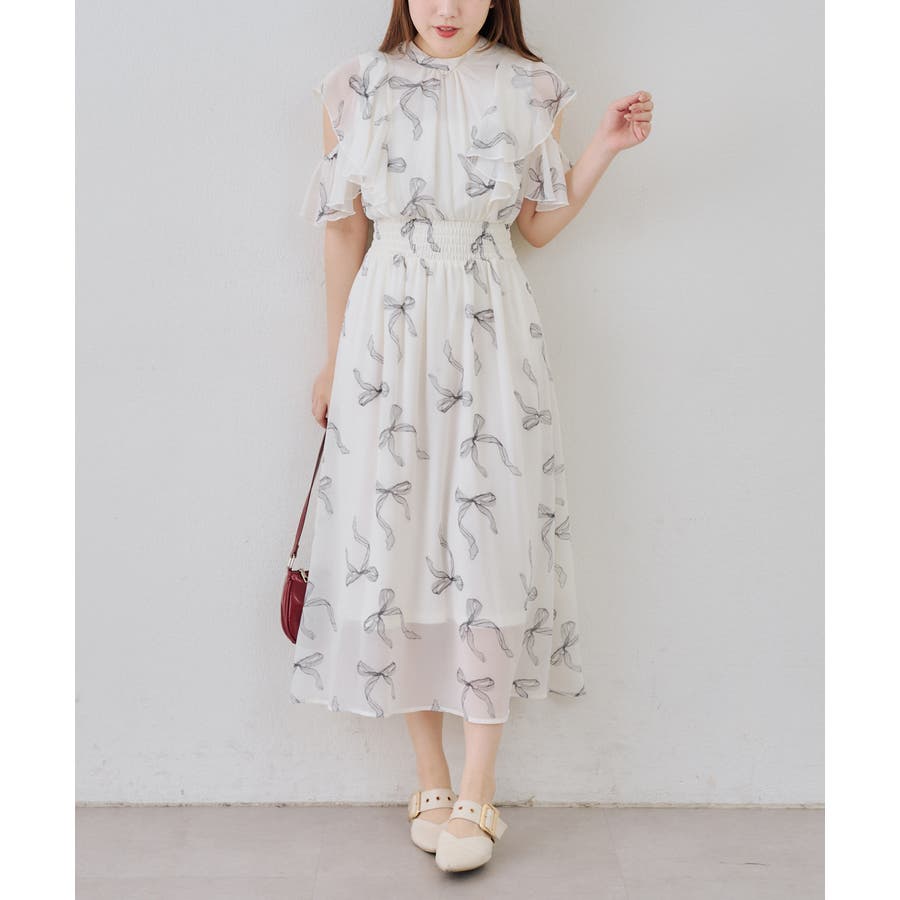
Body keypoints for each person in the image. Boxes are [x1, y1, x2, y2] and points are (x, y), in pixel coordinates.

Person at [290, 0, 653, 873]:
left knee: (490, 538)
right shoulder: (356, 85)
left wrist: (601, 149)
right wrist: (335, 358)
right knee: (398, 536)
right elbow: (345, 230)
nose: (447, 8)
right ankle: (431, 777)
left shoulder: (530, 87)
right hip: (386, 334)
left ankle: (480, 789)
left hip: (491, 329)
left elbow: (535, 227)